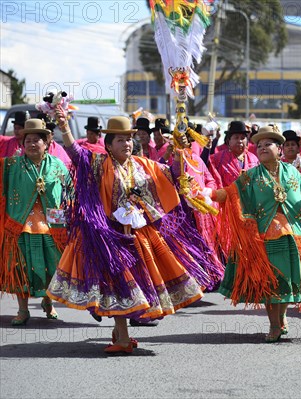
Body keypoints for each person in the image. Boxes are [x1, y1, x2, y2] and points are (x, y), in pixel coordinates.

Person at [47, 109, 222, 354]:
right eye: (120, 139)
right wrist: (64, 126)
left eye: (129, 139)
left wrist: (182, 150)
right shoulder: (98, 164)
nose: (127, 143)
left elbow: (171, 173)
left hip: (140, 234)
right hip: (109, 235)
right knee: (119, 283)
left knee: (136, 284)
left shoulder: (143, 164)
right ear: (108, 145)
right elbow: (75, 154)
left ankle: (121, 334)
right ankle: (123, 337)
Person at [211, 125, 301, 343]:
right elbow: (228, 193)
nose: (262, 148)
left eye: (268, 144)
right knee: (271, 281)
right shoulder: (249, 176)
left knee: (285, 282)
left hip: (292, 234)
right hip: (265, 235)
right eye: (259, 145)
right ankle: (274, 325)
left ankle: (283, 315)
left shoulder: (292, 172)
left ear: (279, 149)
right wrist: (202, 194)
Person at [0, 118, 71, 325]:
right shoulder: (11, 165)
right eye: (28, 140)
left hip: (52, 227)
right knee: (21, 267)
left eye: (36, 140)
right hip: (20, 225)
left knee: (52, 266)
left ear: (46, 143)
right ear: (22, 144)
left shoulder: (57, 165)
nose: (32, 144)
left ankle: (48, 302)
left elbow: (69, 191)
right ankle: (23, 310)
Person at [209, 121, 259, 188]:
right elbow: (213, 182)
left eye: (243, 138)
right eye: (236, 137)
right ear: (228, 141)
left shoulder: (254, 159)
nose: (240, 141)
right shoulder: (217, 159)